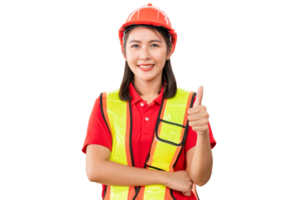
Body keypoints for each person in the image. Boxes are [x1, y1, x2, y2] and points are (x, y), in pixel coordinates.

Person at [81, 1, 217, 200]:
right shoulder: (105, 103)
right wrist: (166, 178)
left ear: (170, 50)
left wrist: (203, 133)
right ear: (124, 52)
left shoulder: (189, 102)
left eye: (154, 45)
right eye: (136, 45)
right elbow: (94, 171)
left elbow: (201, 179)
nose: (144, 55)